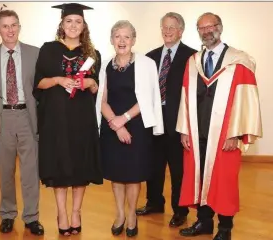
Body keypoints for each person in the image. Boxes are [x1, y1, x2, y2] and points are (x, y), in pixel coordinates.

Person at [176, 12, 262, 240]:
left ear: (220, 28)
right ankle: (204, 223)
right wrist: (184, 128)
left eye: (210, 26)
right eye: (201, 28)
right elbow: (185, 96)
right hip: (197, 131)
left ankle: (225, 229)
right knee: (199, 176)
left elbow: (246, 101)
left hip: (225, 134)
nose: (206, 31)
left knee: (223, 181)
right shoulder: (193, 62)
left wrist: (236, 133)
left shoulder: (238, 61)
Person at [33, 3, 103, 236]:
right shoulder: (48, 50)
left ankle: (76, 212)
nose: (73, 26)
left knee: (80, 165)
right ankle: (61, 212)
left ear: (84, 26)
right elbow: (39, 84)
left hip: (81, 119)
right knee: (60, 165)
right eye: (69, 21)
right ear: (61, 24)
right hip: (56, 119)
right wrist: (58, 80)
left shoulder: (92, 54)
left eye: (78, 21)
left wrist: (90, 83)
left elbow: (98, 89)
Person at [96, 20, 164, 237]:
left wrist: (123, 119)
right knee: (117, 176)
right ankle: (120, 215)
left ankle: (132, 215)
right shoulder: (105, 65)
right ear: (111, 40)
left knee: (134, 175)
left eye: (127, 37)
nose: (122, 41)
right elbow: (101, 100)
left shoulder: (146, 64)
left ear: (134, 40)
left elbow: (148, 99)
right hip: (112, 126)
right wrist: (116, 125)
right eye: (117, 36)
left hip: (137, 126)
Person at [0, 10, 44, 236]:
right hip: (2, 120)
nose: (10, 30)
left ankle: (32, 217)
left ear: (19, 26)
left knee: (30, 172)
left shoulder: (35, 54)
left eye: (14, 25)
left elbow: (42, 90)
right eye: (5, 26)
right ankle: (7, 214)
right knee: (5, 172)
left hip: (28, 117)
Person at [135, 12, 197, 228]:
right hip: (153, 122)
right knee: (153, 167)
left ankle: (180, 211)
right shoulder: (150, 57)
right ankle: (154, 202)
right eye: (164, 27)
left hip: (178, 124)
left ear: (181, 30)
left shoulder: (192, 57)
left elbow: (194, 93)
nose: (167, 31)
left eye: (172, 27)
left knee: (178, 170)